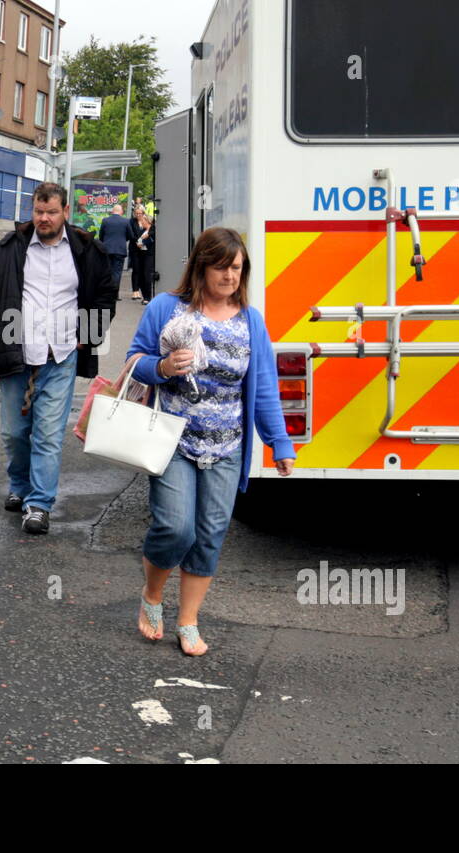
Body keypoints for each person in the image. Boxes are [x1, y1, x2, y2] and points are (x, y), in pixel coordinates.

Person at [126, 227, 296, 655]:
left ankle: (187, 620)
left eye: (237, 268)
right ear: (202, 266)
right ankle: (151, 595)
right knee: (175, 526)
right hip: (172, 438)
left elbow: (264, 389)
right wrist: (162, 366)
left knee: (209, 533)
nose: (230, 276)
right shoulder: (167, 308)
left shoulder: (250, 322)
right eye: (221, 267)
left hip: (226, 446)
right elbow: (133, 360)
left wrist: (280, 443)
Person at [0, 182, 117, 535]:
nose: (44, 218)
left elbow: (104, 293)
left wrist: (90, 334)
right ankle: (19, 486)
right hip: (16, 349)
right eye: (39, 212)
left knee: (48, 434)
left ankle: (39, 504)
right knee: (14, 433)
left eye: (51, 212)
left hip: (62, 354)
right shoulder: (11, 248)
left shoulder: (86, 250)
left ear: (65, 212)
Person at [96, 203, 132, 298]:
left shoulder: (105, 221)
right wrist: (123, 240)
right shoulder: (126, 221)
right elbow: (131, 235)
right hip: (120, 250)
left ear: (112, 211)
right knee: (117, 272)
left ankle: (106, 293)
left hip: (107, 250)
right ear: (121, 212)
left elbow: (101, 236)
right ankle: (114, 294)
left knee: (107, 271)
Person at [130, 207, 155, 303]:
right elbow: (137, 239)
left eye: (143, 221)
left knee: (146, 276)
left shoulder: (153, 230)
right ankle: (145, 296)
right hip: (140, 256)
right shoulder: (141, 231)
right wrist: (139, 243)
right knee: (140, 276)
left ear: (147, 222)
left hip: (149, 256)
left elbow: (152, 239)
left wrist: (144, 241)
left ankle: (148, 298)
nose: (141, 223)